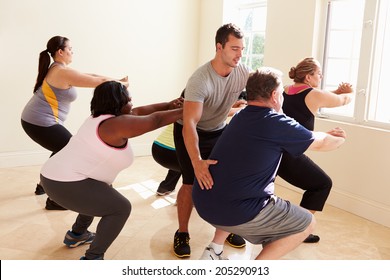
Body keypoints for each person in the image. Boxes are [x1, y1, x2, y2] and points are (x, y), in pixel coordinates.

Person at [193, 67, 347, 260]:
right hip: (235, 211)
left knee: (243, 188)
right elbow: (322, 143)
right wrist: (340, 138)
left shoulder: (240, 116)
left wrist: (322, 134)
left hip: (205, 202)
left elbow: (307, 135)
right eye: (281, 93)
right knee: (307, 223)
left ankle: (213, 251)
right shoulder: (275, 122)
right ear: (274, 95)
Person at [40, 81, 183, 260]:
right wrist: (188, 109)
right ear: (118, 102)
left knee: (101, 191)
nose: (131, 102)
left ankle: (77, 234)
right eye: (128, 99)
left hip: (52, 176)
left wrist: (169, 105)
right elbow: (155, 120)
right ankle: (93, 258)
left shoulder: (98, 118)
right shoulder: (115, 125)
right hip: (64, 184)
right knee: (120, 208)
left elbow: (139, 112)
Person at [21, 36, 129, 210]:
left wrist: (117, 79)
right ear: (60, 52)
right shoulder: (61, 72)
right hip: (38, 121)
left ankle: (44, 184)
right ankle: (54, 199)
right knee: (68, 150)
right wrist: (121, 84)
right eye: (70, 49)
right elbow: (97, 82)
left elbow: (91, 75)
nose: (72, 52)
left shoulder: (59, 68)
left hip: (36, 120)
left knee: (62, 148)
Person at [172, 23, 251, 258]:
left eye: (242, 49)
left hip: (218, 130)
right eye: (234, 48)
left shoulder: (243, 72)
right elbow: (190, 124)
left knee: (226, 181)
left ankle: (226, 227)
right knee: (190, 182)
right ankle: (182, 232)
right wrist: (196, 161)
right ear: (219, 47)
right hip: (190, 130)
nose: (239, 54)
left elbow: (266, 89)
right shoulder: (200, 79)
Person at [277, 57, 353, 243]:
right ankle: (298, 230)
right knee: (322, 184)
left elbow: (312, 102)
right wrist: (349, 92)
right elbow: (341, 100)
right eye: (318, 73)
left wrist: (334, 92)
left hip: (273, 152)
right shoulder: (314, 94)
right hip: (289, 155)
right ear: (308, 77)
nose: (321, 76)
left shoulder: (286, 90)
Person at [152, 92, 246, 196]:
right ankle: (193, 197)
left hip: (158, 149)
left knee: (187, 159)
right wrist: (244, 108)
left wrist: (234, 105)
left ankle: (166, 186)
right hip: (173, 152)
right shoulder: (200, 115)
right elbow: (217, 112)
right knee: (198, 166)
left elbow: (213, 109)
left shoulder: (184, 110)